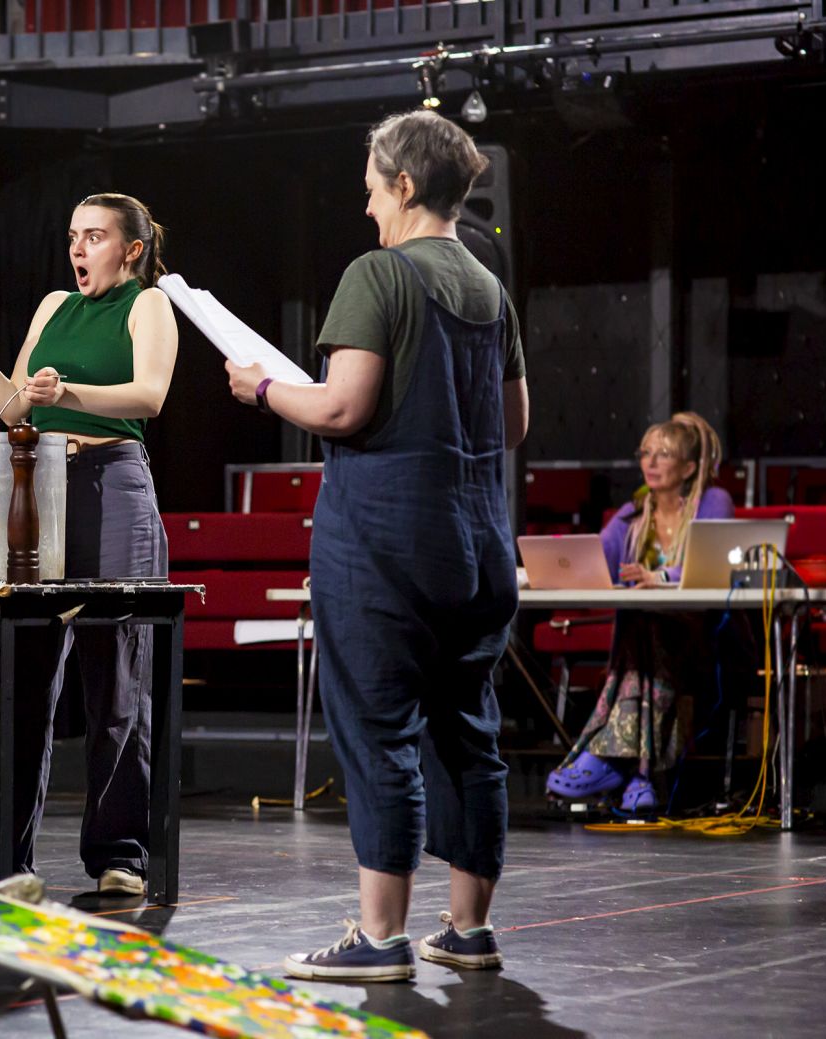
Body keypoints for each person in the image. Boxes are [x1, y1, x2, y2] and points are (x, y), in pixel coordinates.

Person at [227, 110, 527, 982]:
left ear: (403, 185)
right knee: (469, 731)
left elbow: (341, 408)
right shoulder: (488, 285)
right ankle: (468, 930)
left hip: (386, 547)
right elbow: (513, 424)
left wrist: (263, 387)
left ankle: (381, 937)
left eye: (369, 190)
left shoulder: (379, 274)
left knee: (379, 731)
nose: (365, 210)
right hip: (478, 546)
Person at [0, 192, 178, 897]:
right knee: (22, 669)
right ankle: (1, 853)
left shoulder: (147, 304)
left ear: (130, 249)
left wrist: (70, 388)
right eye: (72, 235)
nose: (77, 248)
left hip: (114, 482)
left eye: (94, 236)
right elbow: (13, 405)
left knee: (117, 676)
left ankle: (119, 854)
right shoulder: (50, 306)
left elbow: (149, 396)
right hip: (41, 483)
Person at [545, 411, 735, 811]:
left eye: (662, 454)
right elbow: (595, 558)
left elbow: (712, 565)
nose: (649, 462)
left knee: (647, 621)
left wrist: (662, 576)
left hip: (705, 645)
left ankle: (608, 756)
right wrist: (553, 565)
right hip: (646, 646)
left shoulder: (713, 501)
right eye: (645, 453)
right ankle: (638, 775)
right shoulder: (633, 514)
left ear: (688, 467)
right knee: (643, 619)